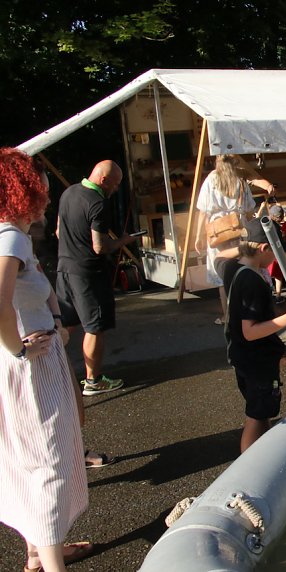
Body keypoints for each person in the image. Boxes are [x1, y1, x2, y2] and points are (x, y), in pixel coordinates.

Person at [0, 148, 91, 572]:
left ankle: (39, 551)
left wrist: (56, 320)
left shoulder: (13, 235)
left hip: (30, 357)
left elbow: (36, 283)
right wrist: (18, 348)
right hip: (29, 365)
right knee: (49, 462)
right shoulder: (10, 236)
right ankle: (53, 563)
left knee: (26, 458)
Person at [215, 218, 286, 452]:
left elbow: (216, 258)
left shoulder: (231, 268)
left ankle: (261, 454)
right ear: (265, 248)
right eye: (274, 252)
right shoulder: (253, 282)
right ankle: (248, 468)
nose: (276, 259)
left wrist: (248, 244)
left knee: (262, 410)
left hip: (241, 356)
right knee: (256, 417)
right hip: (257, 360)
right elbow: (250, 331)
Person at [56, 160, 141, 395]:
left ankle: (52, 370)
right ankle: (93, 381)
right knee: (94, 327)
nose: (114, 190)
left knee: (67, 324)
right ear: (103, 180)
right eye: (114, 185)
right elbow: (99, 247)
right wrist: (124, 240)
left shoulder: (68, 193)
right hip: (88, 273)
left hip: (65, 267)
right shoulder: (98, 203)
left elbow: (57, 231)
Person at [194, 154, 277, 324]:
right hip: (239, 229)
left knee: (222, 274)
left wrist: (198, 236)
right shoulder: (240, 180)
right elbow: (248, 208)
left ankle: (227, 316)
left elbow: (203, 210)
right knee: (243, 269)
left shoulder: (211, 179)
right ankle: (247, 312)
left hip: (218, 231)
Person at [265, 205, 286, 304]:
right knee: (278, 277)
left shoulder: (267, 226)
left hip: (267, 255)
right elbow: (285, 229)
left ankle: (268, 296)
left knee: (267, 276)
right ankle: (278, 296)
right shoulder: (279, 229)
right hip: (277, 256)